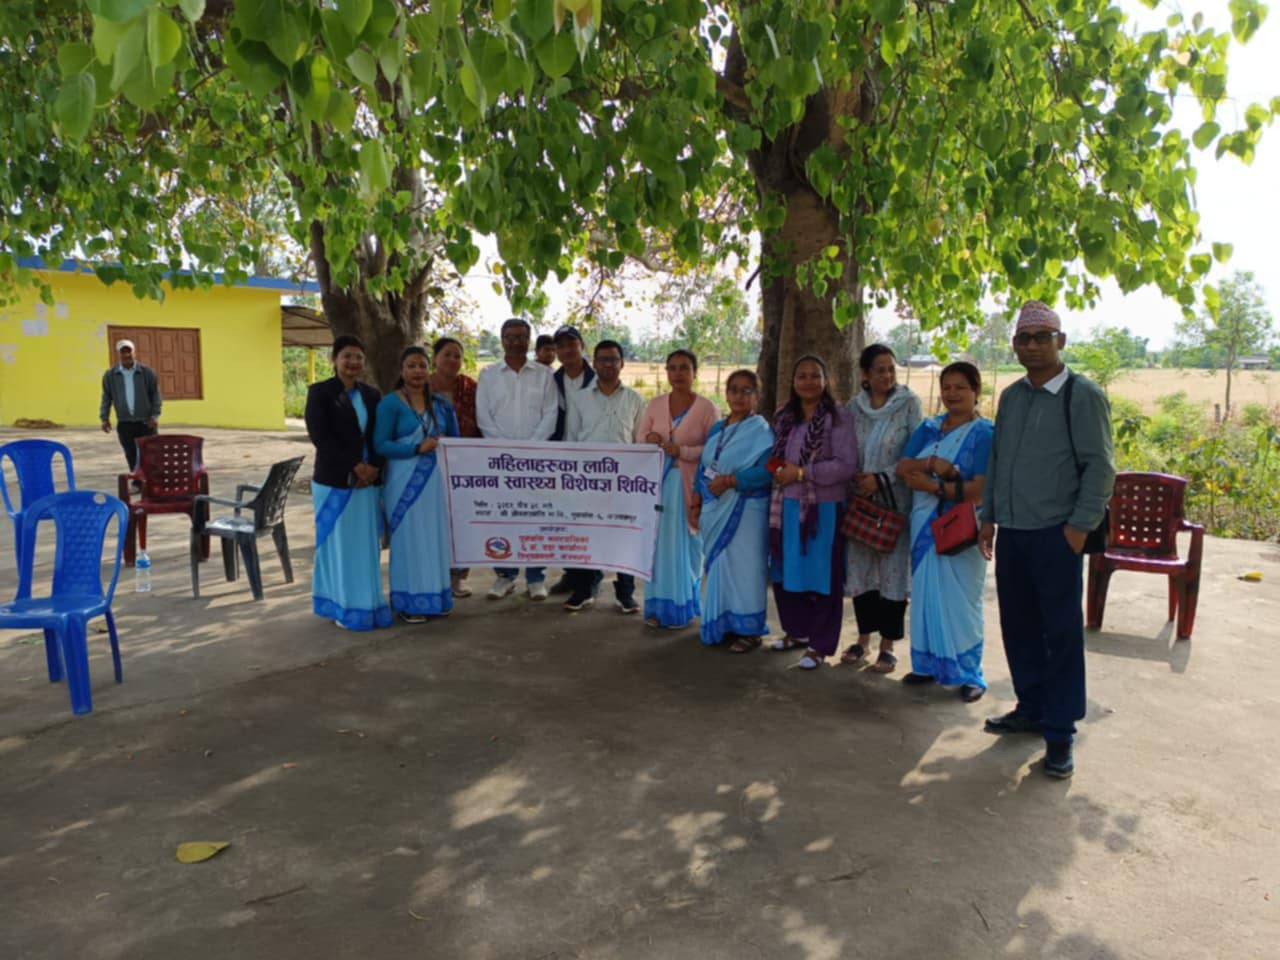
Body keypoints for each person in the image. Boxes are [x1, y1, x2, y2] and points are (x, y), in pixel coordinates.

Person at [978, 301, 1115, 780]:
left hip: (1057, 534)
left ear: (1061, 341)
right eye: (1024, 338)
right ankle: (1031, 708)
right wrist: (989, 516)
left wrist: (1079, 527)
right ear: (1015, 345)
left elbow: (1100, 467)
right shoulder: (1013, 397)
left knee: (1059, 634)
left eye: (1043, 337)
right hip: (1013, 532)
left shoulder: (1082, 394)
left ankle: (1059, 734)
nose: (1033, 346)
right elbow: (998, 460)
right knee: (1018, 626)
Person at [895, 362, 994, 702]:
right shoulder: (928, 427)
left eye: (960, 387)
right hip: (924, 524)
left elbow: (979, 490)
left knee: (962, 602)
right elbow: (903, 467)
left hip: (962, 530)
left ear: (976, 392)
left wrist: (934, 486)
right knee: (925, 596)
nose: (952, 394)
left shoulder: (984, 434)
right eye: (947, 387)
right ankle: (927, 665)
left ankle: (969, 673)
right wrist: (932, 465)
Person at [766, 355, 858, 669]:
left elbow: (845, 465)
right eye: (802, 376)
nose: (808, 382)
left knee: (822, 577)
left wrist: (803, 473)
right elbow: (774, 456)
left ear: (825, 381)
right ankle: (796, 631)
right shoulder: (784, 415)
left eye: (814, 376)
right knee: (785, 572)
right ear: (793, 382)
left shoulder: (837, 417)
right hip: (784, 506)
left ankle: (820, 645)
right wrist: (779, 471)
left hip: (822, 510)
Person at [843, 344, 922, 674]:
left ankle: (888, 647)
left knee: (893, 572)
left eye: (891, 368)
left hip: (894, 502)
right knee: (861, 571)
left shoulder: (909, 404)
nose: (887, 375)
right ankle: (863, 640)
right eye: (879, 370)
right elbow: (845, 449)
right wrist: (858, 479)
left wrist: (881, 479)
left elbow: (915, 452)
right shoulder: (853, 408)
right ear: (865, 374)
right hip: (860, 502)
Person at [303, 335, 391, 631]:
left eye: (358, 357)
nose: (353, 362)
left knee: (364, 545)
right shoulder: (320, 393)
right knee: (338, 545)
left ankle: (367, 605)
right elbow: (321, 438)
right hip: (335, 482)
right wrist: (355, 467)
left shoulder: (372, 395)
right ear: (334, 360)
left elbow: (379, 436)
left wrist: (373, 468)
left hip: (368, 484)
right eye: (347, 356)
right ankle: (340, 605)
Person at [687, 370, 775, 651]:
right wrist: (696, 500)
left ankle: (750, 630)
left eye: (747, 391)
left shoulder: (762, 431)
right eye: (734, 390)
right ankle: (722, 623)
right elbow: (704, 467)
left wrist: (731, 481)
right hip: (714, 507)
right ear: (726, 394)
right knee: (720, 566)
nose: (739, 396)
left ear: (757, 396)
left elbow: (767, 472)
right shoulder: (717, 429)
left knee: (746, 569)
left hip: (747, 510)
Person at [375, 346, 460, 624]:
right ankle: (409, 602)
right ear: (402, 371)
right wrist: (415, 448)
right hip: (403, 482)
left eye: (422, 365)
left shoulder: (440, 404)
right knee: (409, 540)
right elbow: (380, 444)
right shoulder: (390, 403)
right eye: (411, 365)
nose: (417, 371)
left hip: (436, 482)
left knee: (434, 537)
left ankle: (438, 598)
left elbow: (456, 442)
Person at [476, 317, 560, 601]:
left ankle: (536, 578)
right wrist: (507, 453)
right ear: (502, 340)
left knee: (537, 517)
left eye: (522, 337)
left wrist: (530, 450)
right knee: (503, 517)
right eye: (510, 337)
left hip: (537, 461)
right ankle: (505, 575)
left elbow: (550, 413)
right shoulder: (488, 375)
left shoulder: (544, 375)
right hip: (500, 462)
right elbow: (484, 417)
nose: (516, 342)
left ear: (529, 340)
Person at [560, 340, 647, 613]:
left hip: (624, 482)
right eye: (603, 360)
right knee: (587, 535)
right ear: (594, 363)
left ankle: (625, 593)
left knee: (624, 535)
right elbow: (571, 439)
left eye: (613, 359)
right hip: (588, 481)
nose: (608, 364)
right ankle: (584, 590)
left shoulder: (635, 399)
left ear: (622, 363)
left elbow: (640, 442)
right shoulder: (580, 399)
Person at [635, 349, 719, 628]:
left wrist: (682, 451)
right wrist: (651, 438)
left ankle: (681, 609)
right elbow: (640, 438)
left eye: (684, 367)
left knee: (687, 548)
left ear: (695, 372)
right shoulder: (656, 404)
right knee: (659, 548)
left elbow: (714, 450)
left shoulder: (706, 408)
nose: (678, 373)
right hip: (658, 487)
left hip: (689, 487)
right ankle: (658, 608)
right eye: (672, 368)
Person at [429, 336, 479, 598]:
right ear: (435, 358)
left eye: (457, 355)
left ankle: (459, 577)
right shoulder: (420, 386)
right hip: (427, 463)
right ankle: (435, 575)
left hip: (465, 463)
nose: (452, 360)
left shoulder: (471, 387)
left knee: (462, 520)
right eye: (447, 354)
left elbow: (481, 421)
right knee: (433, 520)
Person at [99, 338, 162, 473]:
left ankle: (152, 481)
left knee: (151, 454)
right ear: (119, 354)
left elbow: (156, 395)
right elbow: (106, 398)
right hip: (125, 423)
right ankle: (137, 481)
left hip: (146, 422)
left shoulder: (147, 372)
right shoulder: (110, 375)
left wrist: (154, 416)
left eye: (129, 351)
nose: (126, 355)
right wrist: (104, 418)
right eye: (123, 352)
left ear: (134, 352)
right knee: (131, 454)